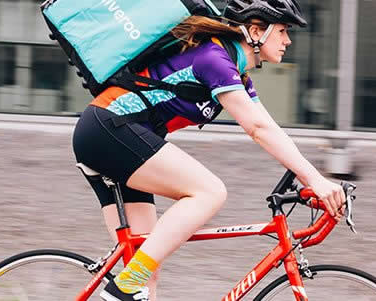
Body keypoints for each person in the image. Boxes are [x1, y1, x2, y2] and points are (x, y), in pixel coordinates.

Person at [72, 1, 346, 300]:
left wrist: (312, 178)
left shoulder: (236, 74)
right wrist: (316, 181)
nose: (288, 40)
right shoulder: (213, 58)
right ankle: (124, 286)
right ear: (256, 30)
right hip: (109, 129)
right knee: (209, 192)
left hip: (112, 135)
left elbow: (270, 128)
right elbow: (257, 130)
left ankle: (126, 286)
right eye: (282, 31)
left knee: (145, 272)